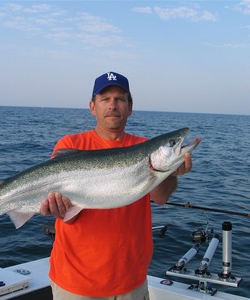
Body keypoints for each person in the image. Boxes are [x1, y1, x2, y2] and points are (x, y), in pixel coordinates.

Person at [40, 71, 193, 299]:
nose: (113, 105)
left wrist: (170, 173)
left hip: (131, 282)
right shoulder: (71, 145)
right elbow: (65, 212)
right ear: (93, 107)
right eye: (105, 99)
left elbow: (161, 198)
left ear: (130, 108)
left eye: (120, 99)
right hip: (75, 283)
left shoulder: (143, 146)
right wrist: (55, 207)